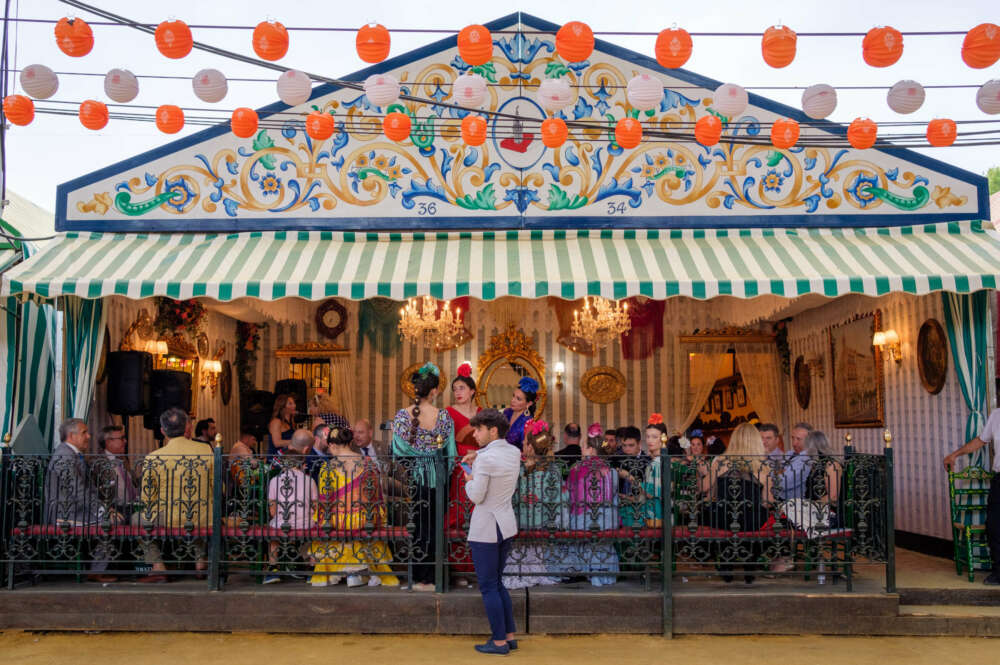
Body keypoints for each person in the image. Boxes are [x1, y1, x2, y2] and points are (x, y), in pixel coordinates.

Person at [390, 362, 456, 590]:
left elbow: (398, 451)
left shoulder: (401, 416)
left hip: (415, 479)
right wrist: (440, 472)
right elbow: (451, 454)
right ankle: (435, 577)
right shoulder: (445, 417)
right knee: (437, 528)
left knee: (417, 527)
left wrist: (413, 468)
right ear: (435, 391)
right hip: (438, 478)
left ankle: (418, 577)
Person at [463, 408, 522, 655]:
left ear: (493, 430)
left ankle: (498, 642)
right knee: (498, 584)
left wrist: (468, 478)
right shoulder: (514, 451)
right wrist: (478, 456)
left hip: (487, 526)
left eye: (479, 429)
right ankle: (509, 636)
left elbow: (477, 495)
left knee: (488, 586)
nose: (475, 434)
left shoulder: (485, 459)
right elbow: (491, 454)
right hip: (505, 523)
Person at [311, 426, 401, 588]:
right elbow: (376, 495)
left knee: (330, 526)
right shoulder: (368, 464)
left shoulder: (328, 467)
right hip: (363, 517)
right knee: (363, 525)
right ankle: (360, 572)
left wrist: (319, 518)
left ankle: (347, 572)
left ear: (332, 445)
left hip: (338, 518)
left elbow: (324, 499)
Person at [135, 408, 214, 583]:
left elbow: (147, 497)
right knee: (197, 512)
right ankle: (200, 561)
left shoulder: (153, 458)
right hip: (203, 515)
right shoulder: (206, 450)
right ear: (188, 426)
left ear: (162, 431)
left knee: (136, 520)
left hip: (168, 517)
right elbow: (216, 486)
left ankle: (157, 567)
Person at [45, 419, 120, 583]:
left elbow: (88, 489)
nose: (89, 435)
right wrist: (102, 511)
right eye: (84, 432)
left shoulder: (73, 454)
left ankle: (97, 569)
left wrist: (104, 507)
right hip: (65, 514)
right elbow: (78, 491)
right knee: (112, 522)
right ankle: (96, 571)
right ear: (71, 436)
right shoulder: (64, 456)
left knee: (117, 517)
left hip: (77, 510)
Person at [699, 422, 774, 584]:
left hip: (723, 517)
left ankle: (726, 559)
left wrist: (705, 474)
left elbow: (704, 488)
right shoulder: (762, 466)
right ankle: (750, 563)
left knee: (711, 514)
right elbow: (768, 502)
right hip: (751, 519)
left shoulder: (721, 462)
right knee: (766, 520)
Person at [503, 419, 565, 590]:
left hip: (524, 520)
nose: (522, 446)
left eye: (524, 443)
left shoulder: (520, 468)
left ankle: (524, 570)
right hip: (541, 521)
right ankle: (535, 569)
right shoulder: (551, 469)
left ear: (530, 447)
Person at [943, 407, 1000, 585]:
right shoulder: (997, 415)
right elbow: (980, 440)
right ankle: (999, 573)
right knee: (994, 526)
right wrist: (955, 455)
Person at [562, 423, 620, 586]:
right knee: (602, 543)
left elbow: (569, 495)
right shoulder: (611, 471)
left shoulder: (577, 469)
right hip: (607, 520)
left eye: (583, 447)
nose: (581, 451)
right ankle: (604, 573)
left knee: (580, 536)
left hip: (584, 520)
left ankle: (585, 571)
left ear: (590, 449)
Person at [263, 429, 319, 584]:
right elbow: (316, 508)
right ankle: (311, 569)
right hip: (305, 524)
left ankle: (273, 569)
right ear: (302, 462)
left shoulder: (275, 481)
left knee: (273, 538)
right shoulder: (309, 480)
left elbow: (273, 511)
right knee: (313, 536)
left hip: (282, 523)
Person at [445, 362, 481, 584]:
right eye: (455, 389)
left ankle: (477, 567)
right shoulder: (448, 412)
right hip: (460, 464)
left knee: (478, 515)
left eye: (461, 388)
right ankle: (458, 568)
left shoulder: (481, 413)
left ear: (472, 391)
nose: (458, 392)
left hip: (480, 463)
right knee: (459, 514)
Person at [95, 425, 136, 519]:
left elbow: (133, 482)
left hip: (131, 508)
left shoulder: (124, 458)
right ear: (108, 442)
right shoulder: (97, 462)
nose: (125, 441)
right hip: (113, 511)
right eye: (121, 438)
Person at [615, 425, 651, 528]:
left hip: (641, 509)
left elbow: (649, 492)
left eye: (631, 445)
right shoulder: (616, 458)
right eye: (624, 445)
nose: (627, 449)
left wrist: (629, 477)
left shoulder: (647, 461)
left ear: (639, 444)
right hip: (620, 509)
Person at [778, 423, 814, 500]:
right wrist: (780, 472)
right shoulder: (789, 453)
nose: (794, 443)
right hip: (778, 499)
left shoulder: (806, 459)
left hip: (793, 504)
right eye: (793, 438)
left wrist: (778, 471)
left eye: (798, 439)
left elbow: (783, 484)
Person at [503, 376, 538, 450]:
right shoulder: (506, 413)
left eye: (518, 399)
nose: (513, 400)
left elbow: (527, 451)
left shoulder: (529, 422)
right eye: (513, 396)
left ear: (528, 403)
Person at [267, 394, 297, 459]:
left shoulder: (291, 421)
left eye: (294, 403)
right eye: (290, 404)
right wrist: (296, 442)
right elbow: (277, 443)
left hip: (286, 458)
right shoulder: (276, 421)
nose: (294, 406)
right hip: (275, 459)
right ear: (282, 407)